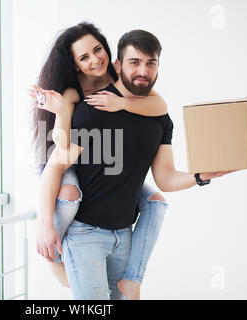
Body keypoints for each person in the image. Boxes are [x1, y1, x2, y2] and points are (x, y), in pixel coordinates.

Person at [46, 28, 234, 300]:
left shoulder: (159, 118)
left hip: (124, 236)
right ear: (118, 65)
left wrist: (201, 176)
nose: (143, 71)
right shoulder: (92, 109)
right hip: (85, 234)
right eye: (135, 62)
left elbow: (165, 178)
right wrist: (46, 226)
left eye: (151, 63)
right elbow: (56, 166)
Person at [30, 23, 169, 299]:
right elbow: (61, 144)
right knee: (70, 194)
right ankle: (55, 257)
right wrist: (60, 110)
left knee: (156, 202)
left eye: (98, 50)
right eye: (84, 57)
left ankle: (133, 278)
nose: (95, 60)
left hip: (104, 160)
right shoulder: (73, 92)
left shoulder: (120, 77)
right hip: (68, 160)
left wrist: (123, 104)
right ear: (76, 65)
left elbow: (160, 106)